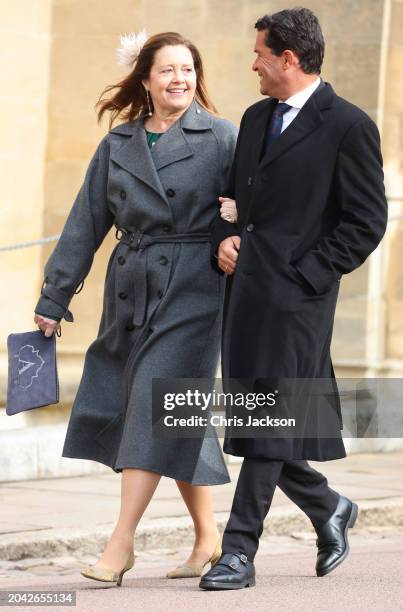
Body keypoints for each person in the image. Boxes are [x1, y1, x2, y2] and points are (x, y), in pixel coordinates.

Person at [34, 31, 238, 587]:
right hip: (131, 288)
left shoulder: (223, 137)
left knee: (156, 403)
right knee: (178, 413)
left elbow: (262, 202)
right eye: (168, 70)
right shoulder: (118, 143)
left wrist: (236, 229)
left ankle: (120, 545)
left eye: (189, 70)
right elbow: (85, 223)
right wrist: (54, 296)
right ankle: (208, 537)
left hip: (195, 288)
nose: (180, 79)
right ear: (145, 79)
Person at [200, 8, 387, 590]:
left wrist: (308, 275)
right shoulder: (256, 118)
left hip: (300, 301)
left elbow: (366, 221)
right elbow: (228, 198)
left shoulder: (348, 125)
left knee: (269, 418)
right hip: (246, 296)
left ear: (288, 58)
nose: (252, 62)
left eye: (260, 53)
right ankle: (328, 506)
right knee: (260, 418)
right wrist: (222, 239)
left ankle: (238, 552)